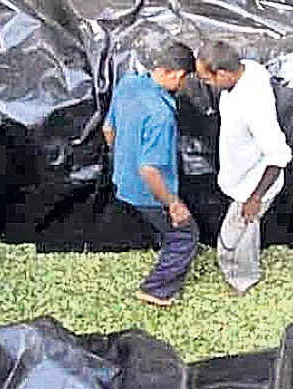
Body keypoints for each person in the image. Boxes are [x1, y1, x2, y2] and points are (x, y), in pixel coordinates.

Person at [101, 41, 199, 307]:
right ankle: (156, 289)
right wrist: (173, 204)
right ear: (177, 75)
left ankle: (165, 247)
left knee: (164, 227)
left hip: (123, 180)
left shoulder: (128, 84)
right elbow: (149, 169)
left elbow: (108, 130)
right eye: (186, 80)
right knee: (186, 234)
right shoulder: (160, 115)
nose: (184, 87)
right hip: (149, 191)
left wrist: (123, 157)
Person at [195, 39, 293, 296]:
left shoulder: (252, 105)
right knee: (238, 233)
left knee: (241, 237)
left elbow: (279, 155)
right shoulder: (248, 69)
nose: (206, 85)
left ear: (224, 73)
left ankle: (243, 282)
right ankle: (234, 270)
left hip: (252, 185)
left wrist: (254, 198)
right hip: (241, 175)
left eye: (208, 79)